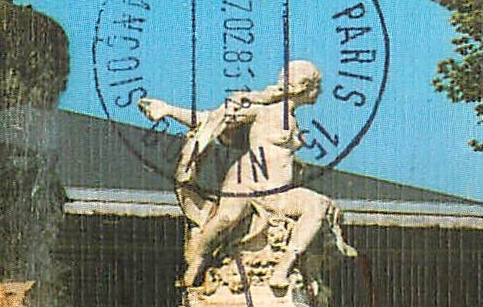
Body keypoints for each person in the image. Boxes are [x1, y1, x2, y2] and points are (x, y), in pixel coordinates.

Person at [138, 62, 352, 292]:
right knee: (226, 219)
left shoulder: (292, 118)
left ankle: (283, 269)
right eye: (317, 86)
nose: (319, 92)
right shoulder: (262, 110)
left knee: (316, 205)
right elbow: (211, 120)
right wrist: (167, 109)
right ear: (304, 87)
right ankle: (198, 262)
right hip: (247, 180)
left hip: (277, 190)